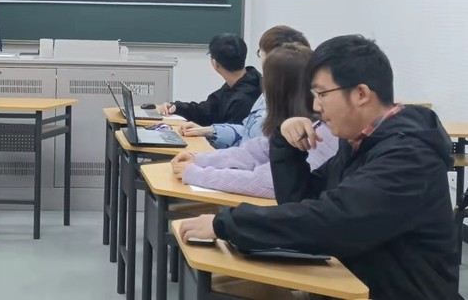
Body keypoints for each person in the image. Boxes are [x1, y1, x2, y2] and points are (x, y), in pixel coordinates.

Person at [177, 35, 460, 300]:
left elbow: (334, 219)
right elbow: (303, 200)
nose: (315, 105)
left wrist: (226, 223)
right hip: (349, 283)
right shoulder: (357, 141)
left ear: (361, 93)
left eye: (322, 94)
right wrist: (286, 144)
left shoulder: (408, 157)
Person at [171, 43, 338, 198]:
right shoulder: (294, 124)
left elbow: (268, 182)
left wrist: (197, 174)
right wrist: (199, 159)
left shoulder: (321, 132)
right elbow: (252, 152)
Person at [178, 25, 310, 149]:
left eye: (260, 53)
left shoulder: (292, 103)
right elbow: (248, 131)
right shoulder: (266, 93)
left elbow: (259, 152)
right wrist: (210, 131)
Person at [157, 33, 261, 126]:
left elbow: (231, 136)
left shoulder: (245, 98)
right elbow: (206, 111)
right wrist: (177, 107)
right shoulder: (245, 81)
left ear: (215, 63)